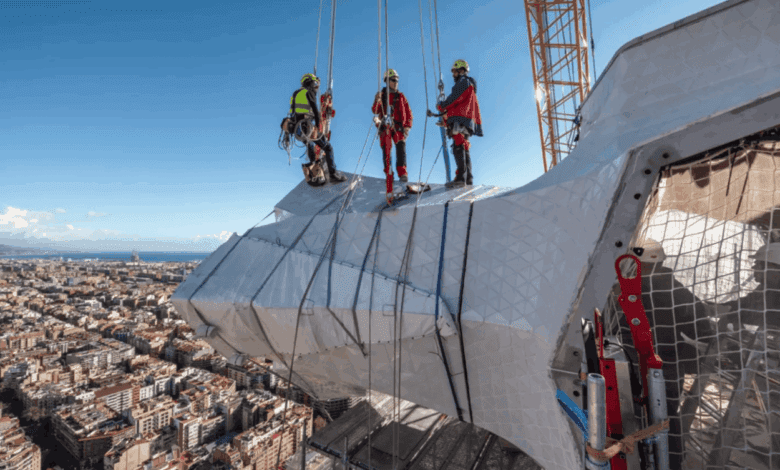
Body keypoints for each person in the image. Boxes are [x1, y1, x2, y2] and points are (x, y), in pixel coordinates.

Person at [611, 239, 716, 470]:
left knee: (637, 419)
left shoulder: (630, 289)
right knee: (664, 420)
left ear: (641, 264)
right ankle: (671, 463)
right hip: (666, 368)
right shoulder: (678, 292)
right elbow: (702, 331)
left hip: (638, 368)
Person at [289, 73, 347, 183]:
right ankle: (333, 174)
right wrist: (318, 127)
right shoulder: (309, 92)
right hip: (308, 127)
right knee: (328, 147)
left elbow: (293, 111)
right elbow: (315, 110)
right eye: (314, 82)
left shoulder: (296, 93)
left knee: (310, 147)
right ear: (310, 82)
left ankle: (315, 176)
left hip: (298, 130)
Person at [436, 59, 483, 188]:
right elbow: (459, 102)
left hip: (461, 119)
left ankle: (461, 178)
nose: (453, 74)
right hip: (466, 120)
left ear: (461, 70)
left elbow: (455, 98)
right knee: (463, 145)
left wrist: (442, 105)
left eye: (455, 71)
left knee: (458, 146)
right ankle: (467, 179)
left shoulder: (463, 82)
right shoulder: (469, 85)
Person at [372, 69, 413, 200]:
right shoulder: (382, 95)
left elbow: (408, 113)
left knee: (401, 149)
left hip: (398, 128)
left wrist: (407, 127)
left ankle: (402, 173)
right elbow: (375, 110)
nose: (396, 83)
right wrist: (377, 100)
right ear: (387, 81)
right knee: (387, 151)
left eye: (397, 80)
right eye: (393, 80)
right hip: (385, 128)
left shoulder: (401, 96)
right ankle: (388, 174)